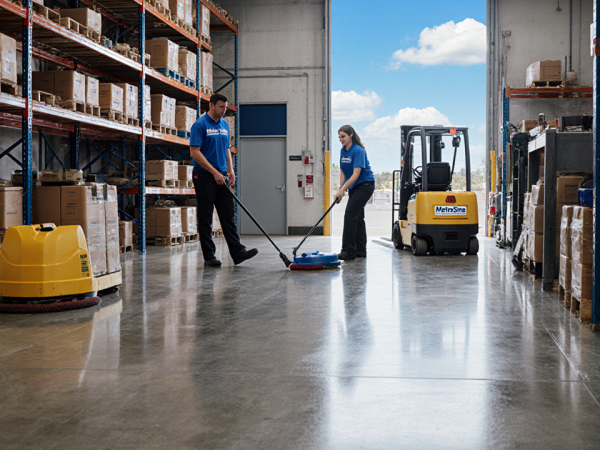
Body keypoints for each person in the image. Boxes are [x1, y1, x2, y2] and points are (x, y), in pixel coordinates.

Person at [190, 93, 258, 267]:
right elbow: (194, 152)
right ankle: (209, 256)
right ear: (211, 105)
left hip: (222, 176)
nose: (224, 110)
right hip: (204, 176)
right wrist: (213, 172)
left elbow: (227, 149)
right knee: (205, 217)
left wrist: (230, 171)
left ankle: (238, 253)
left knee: (228, 216)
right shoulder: (200, 125)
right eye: (221, 107)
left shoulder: (225, 125)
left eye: (225, 107)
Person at [334, 125, 375, 260]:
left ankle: (348, 251)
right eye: (339, 137)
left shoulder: (358, 151)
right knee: (357, 218)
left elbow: (355, 174)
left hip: (365, 185)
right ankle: (360, 250)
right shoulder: (343, 151)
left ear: (350, 135)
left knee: (350, 215)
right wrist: (340, 189)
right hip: (354, 187)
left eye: (343, 136)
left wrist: (343, 190)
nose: (341, 139)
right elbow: (343, 171)